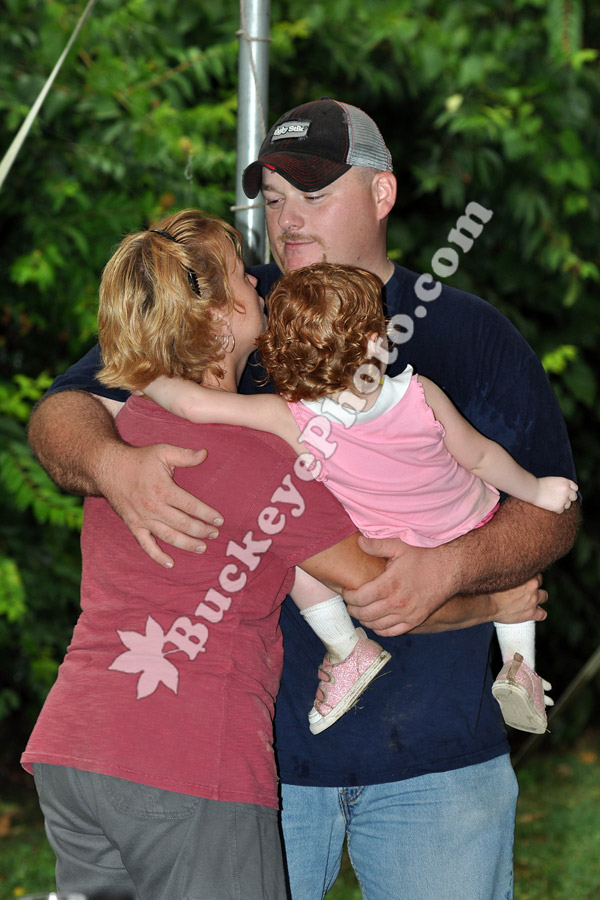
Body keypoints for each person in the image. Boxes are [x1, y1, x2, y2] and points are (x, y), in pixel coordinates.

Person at [27, 99, 579, 900]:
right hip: (248, 762)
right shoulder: (218, 315)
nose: (285, 220)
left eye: (313, 194)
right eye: (274, 197)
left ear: (382, 194)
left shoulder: (470, 333)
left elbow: (553, 509)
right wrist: (113, 465)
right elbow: (64, 412)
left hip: (436, 758)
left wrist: (456, 567)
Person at [21, 210, 404, 900]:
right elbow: (377, 584)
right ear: (220, 325)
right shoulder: (260, 460)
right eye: (240, 275)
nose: (258, 283)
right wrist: (493, 595)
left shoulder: (129, 429)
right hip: (188, 755)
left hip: (74, 748)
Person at [139, 261, 578, 736]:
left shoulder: (291, 419)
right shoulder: (419, 394)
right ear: (375, 342)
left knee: (293, 550)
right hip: (465, 520)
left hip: (386, 547)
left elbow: (193, 405)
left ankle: (347, 648)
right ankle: (520, 667)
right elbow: (481, 457)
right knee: (517, 579)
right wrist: (537, 490)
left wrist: (143, 376)